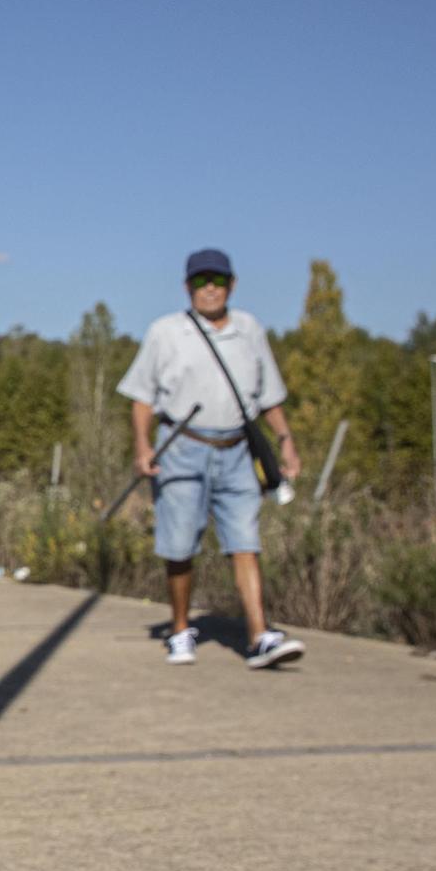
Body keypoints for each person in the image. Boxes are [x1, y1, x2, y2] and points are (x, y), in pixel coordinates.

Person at [116, 249, 306, 669]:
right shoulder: (166, 332)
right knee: (179, 544)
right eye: (200, 282)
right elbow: (141, 398)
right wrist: (142, 446)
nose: (209, 290)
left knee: (245, 542)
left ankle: (259, 636)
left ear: (232, 285)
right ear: (187, 287)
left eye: (217, 281)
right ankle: (181, 630)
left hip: (237, 450)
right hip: (181, 448)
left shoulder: (250, 330)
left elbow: (268, 395)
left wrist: (286, 440)